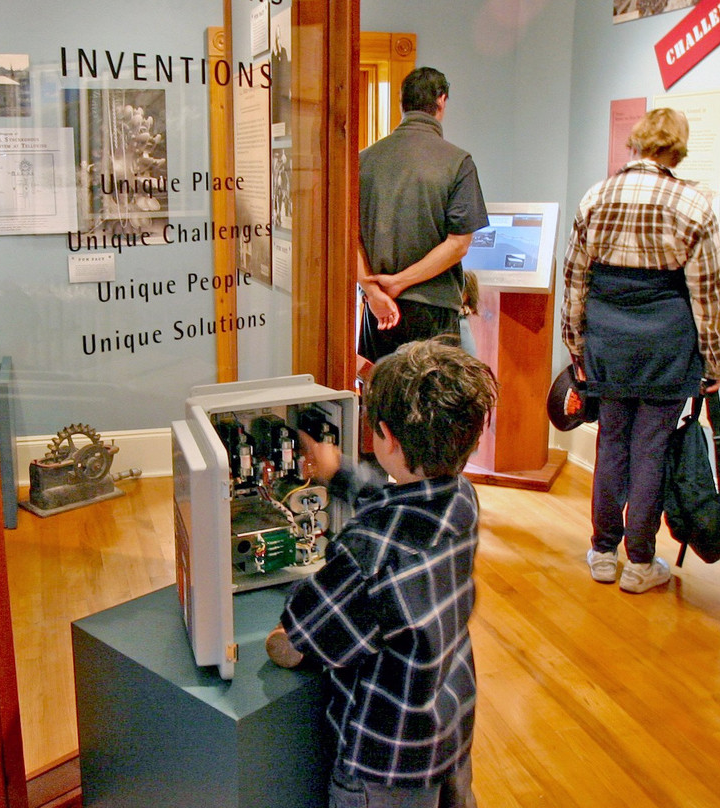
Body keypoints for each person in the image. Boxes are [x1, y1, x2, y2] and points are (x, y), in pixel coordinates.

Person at [265, 339, 499, 808]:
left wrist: (277, 636)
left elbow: (299, 641)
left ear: (385, 436)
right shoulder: (461, 500)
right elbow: (398, 508)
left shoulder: (366, 555)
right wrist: (342, 473)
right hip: (449, 727)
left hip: (384, 765)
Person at [561, 107, 720, 594]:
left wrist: (576, 346)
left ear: (637, 143)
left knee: (611, 442)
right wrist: (715, 360)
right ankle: (639, 563)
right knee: (651, 449)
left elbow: (576, 279)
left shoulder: (597, 196)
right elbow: (709, 293)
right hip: (666, 341)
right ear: (676, 150)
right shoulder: (692, 205)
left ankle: (601, 552)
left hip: (608, 339)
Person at [357, 67, 489, 363]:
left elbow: (347, 238)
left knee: (381, 400)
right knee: (433, 402)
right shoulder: (458, 162)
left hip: (377, 311)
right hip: (434, 310)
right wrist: (400, 282)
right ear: (442, 101)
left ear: (402, 103)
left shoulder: (363, 161)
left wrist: (374, 290)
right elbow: (458, 244)